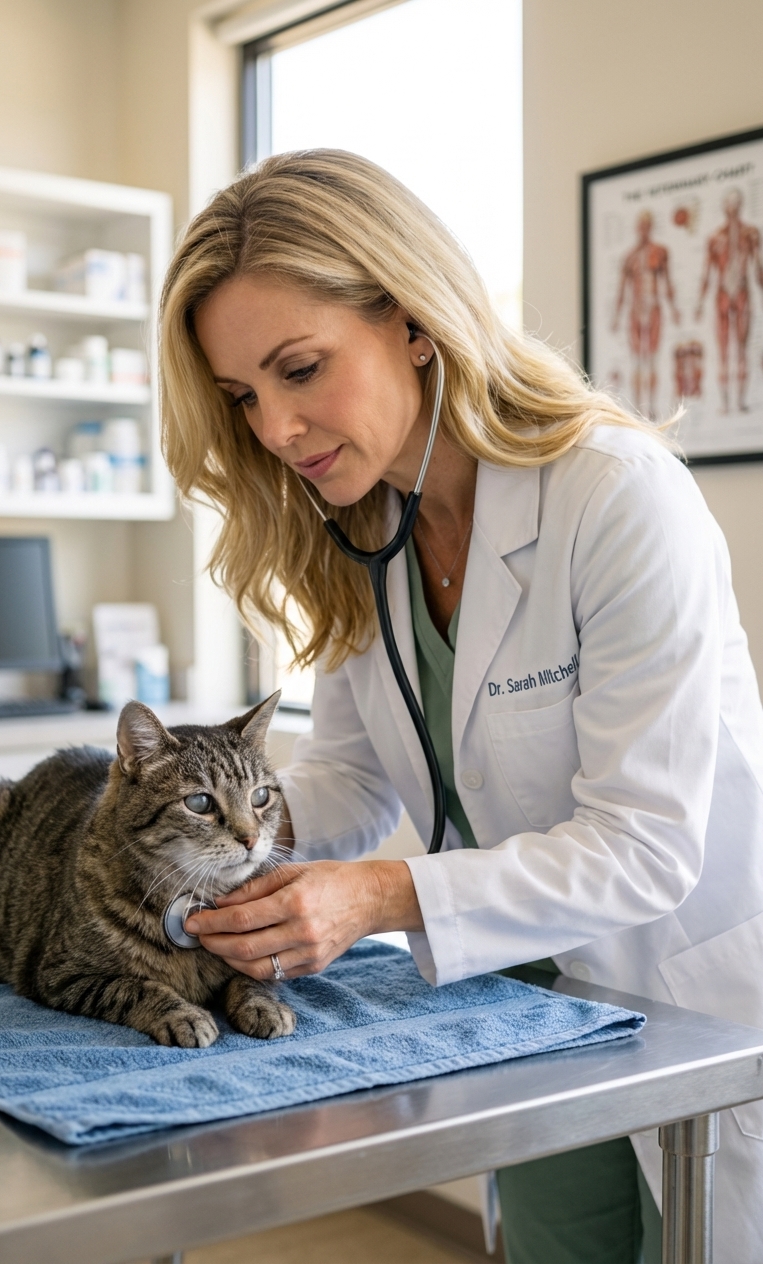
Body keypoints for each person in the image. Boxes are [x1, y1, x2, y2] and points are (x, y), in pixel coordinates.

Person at [159, 150, 763, 1264]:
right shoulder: (355, 532)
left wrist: (375, 894)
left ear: (414, 322)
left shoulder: (616, 495)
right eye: (244, 397)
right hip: (525, 1009)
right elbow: (347, 774)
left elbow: (645, 847)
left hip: (697, 998)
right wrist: (205, 835)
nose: (278, 429)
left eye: (301, 369)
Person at [695, 187, 763, 413]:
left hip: (742, 292)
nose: (732, 211)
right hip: (723, 294)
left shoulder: (750, 234)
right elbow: (707, 273)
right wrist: (699, 303)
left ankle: (740, 400)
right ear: (725, 208)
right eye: (729, 206)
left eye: (736, 206)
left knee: (741, 349)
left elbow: (757, 269)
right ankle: (725, 402)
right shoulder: (716, 238)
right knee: (724, 349)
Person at [611, 209, 680, 419]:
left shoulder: (659, 252)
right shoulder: (629, 257)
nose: (643, 229)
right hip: (635, 310)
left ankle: (650, 406)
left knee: (651, 360)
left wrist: (674, 308)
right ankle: (636, 409)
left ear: (650, 227)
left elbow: (667, 283)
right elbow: (622, 289)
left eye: (646, 225)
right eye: (640, 226)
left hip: (654, 308)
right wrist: (616, 316)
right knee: (637, 362)